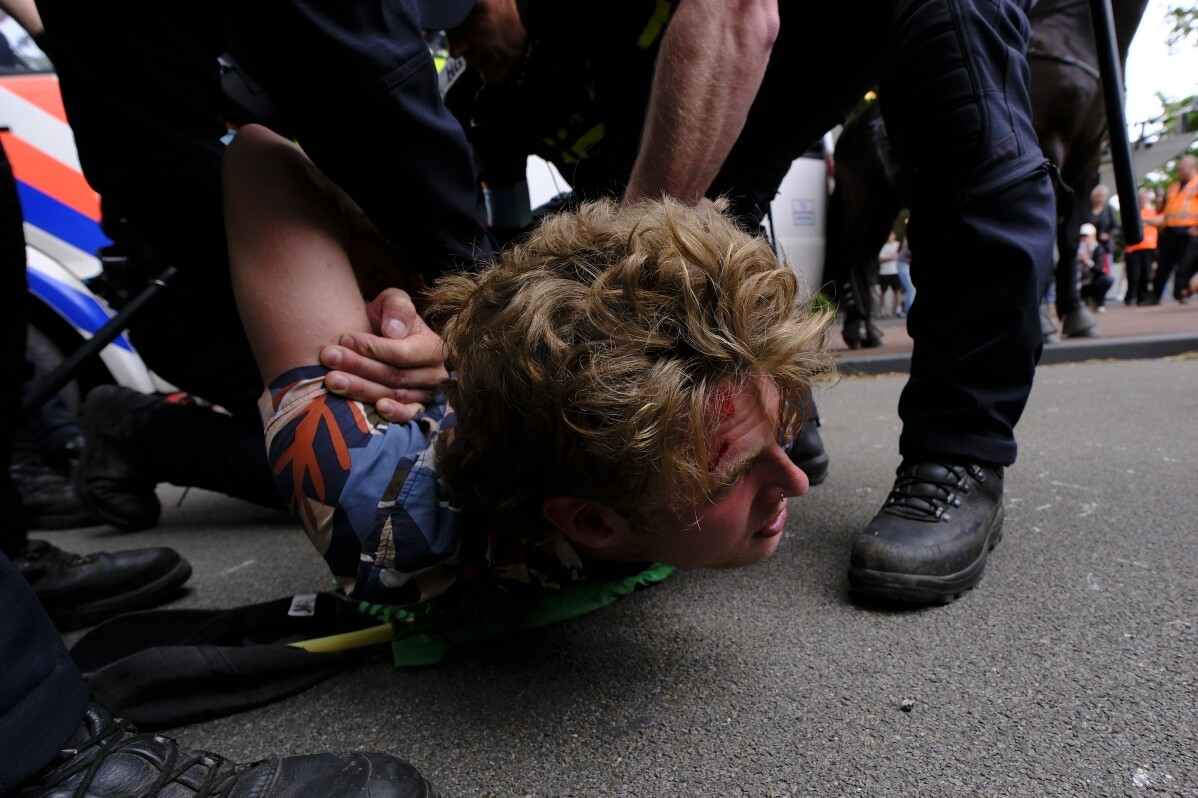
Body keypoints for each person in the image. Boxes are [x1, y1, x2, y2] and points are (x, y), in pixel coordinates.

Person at [372, 0, 1051, 604]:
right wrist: (473, 338)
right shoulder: (526, 72)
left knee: (966, 126)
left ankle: (958, 453)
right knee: (712, 192)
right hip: (778, 51)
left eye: (463, 20)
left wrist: (623, 300)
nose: (456, 45)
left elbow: (734, 14)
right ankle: (773, 425)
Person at [224, 125, 833, 605]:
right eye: (732, 475)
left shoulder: (674, 476)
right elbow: (259, 155)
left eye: (783, 427)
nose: (797, 482)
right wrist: (378, 272)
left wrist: (459, 352)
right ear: (592, 522)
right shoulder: (380, 511)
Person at [36, 0, 490, 531]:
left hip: (203, 250)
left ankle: (145, 432)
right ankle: (146, 433)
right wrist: (476, 330)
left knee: (362, 447)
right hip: (189, 290)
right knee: (358, 453)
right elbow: (362, 95)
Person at [1148, 155, 1198, 304]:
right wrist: (1159, 200)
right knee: (1163, 265)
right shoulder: (1173, 187)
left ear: (1192, 167)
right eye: (1178, 169)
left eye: (1182, 168)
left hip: (1189, 231)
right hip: (1170, 231)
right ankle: (1155, 296)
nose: (1180, 171)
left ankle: (1180, 293)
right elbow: (1161, 211)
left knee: (1185, 264)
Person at [1123, 190, 1158, 306]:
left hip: (1149, 247)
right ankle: (1130, 297)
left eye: (1144, 198)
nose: (1143, 200)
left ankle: (1142, 298)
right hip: (1133, 247)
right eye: (1141, 198)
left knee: (1146, 274)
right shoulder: (1133, 211)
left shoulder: (1153, 210)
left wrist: (1146, 221)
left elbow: (1160, 221)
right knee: (1133, 275)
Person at [1077, 222, 1114, 312]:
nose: (1084, 238)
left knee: (1107, 279)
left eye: (1086, 236)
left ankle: (1098, 302)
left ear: (1093, 236)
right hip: (1079, 282)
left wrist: (1087, 261)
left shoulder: (1098, 249)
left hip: (1091, 281)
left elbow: (1099, 269)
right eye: (1082, 236)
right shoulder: (1076, 247)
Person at [876, 230, 903, 318]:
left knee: (898, 291)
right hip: (884, 272)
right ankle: (882, 312)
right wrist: (891, 258)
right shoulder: (883, 246)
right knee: (882, 292)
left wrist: (886, 258)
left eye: (891, 235)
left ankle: (899, 311)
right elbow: (880, 260)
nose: (889, 237)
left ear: (894, 236)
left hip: (895, 271)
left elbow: (899, 256)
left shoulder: (897, 245)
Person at [895, 229, 915, 316]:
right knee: (910, 288)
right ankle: (909, 311)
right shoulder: (909, 242)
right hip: (902, 264)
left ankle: (909, 309)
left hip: (904, 264)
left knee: (911, 288)